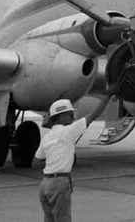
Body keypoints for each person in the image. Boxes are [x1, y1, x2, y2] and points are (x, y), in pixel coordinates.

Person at [33, 90, 115, 222]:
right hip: (59, 184)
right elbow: (94, 115)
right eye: (70, 114)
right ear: (61, 116)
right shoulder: (69, 131)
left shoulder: (46, 138)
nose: (73, 116)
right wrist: (108, 95)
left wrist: (55, 163)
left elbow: (35, 163)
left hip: (45, 185)